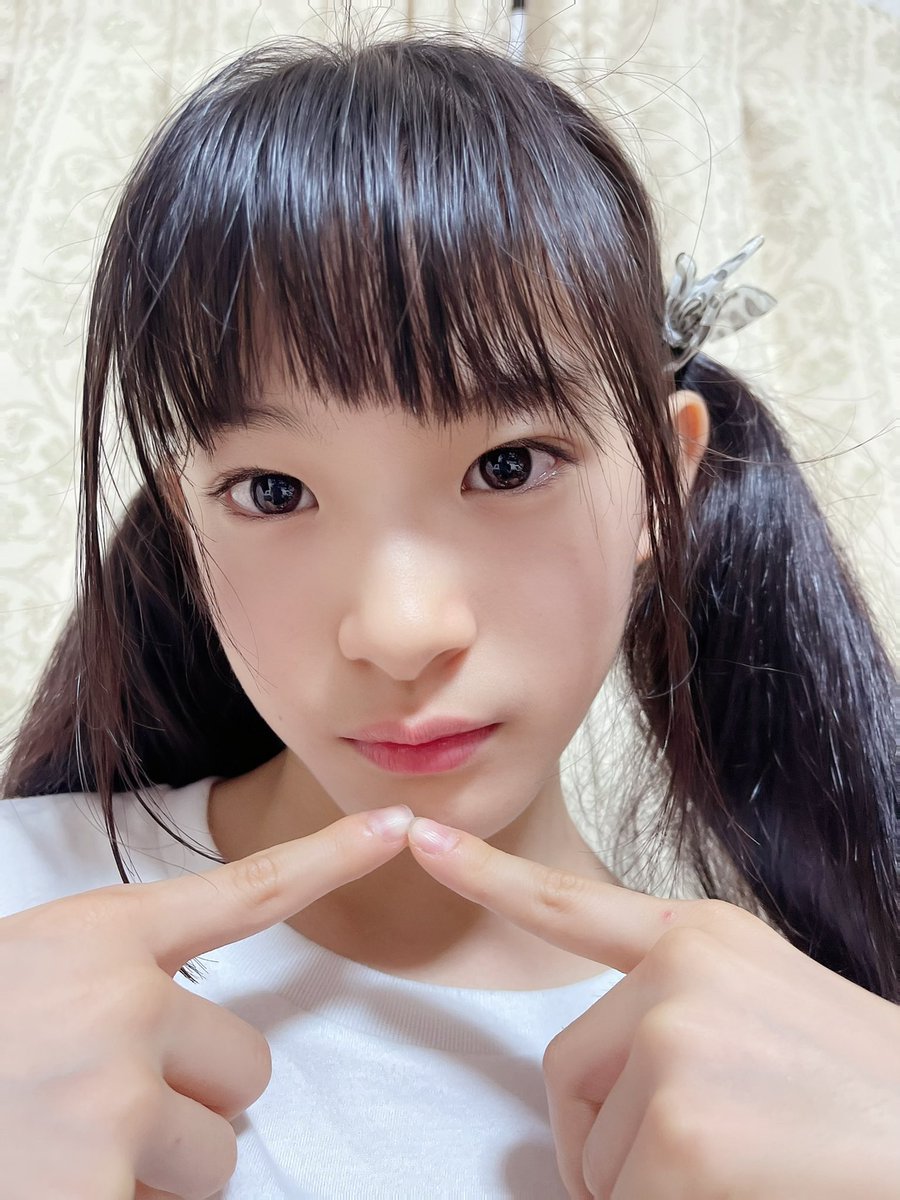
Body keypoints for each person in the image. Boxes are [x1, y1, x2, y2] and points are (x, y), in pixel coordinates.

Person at [0, 31, 896, 1200]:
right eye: (272, 491)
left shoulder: (817, 1063)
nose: (400, 630)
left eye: (509, 464)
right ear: (189, 522)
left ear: (660, 484)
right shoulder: (22, 898)